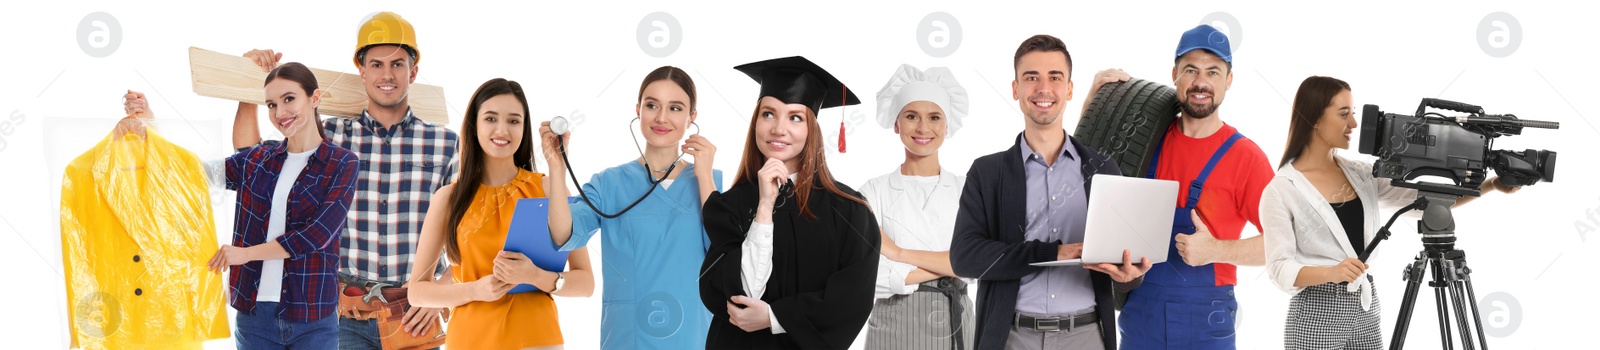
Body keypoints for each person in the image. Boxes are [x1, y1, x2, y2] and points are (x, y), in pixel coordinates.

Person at [228, 12, 458, 348]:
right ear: (362, 71)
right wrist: (248, 86)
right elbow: (251, 160)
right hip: (343, 315)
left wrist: (446, 287)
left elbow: (471, 232)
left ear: (414, 71)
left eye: (397, 64)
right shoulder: (328, 137)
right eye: (376, 64)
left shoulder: (446, 144)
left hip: (413, 315)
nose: (387, 74)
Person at [1261, 76, 1520, 349]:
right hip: (1316, 315)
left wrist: (1491, 185)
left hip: (1366, 308)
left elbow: (1426, 202)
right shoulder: (1281, 190)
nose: (1354, 124)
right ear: (1314, 118)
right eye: (1343, 114)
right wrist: (1330, 272)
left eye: (1354, 113)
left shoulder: (1361, 174)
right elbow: (1279, 268)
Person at [949, 35, 1151, 350]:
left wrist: (1130, 276)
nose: (1044, 89)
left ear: (1069, 89)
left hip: (1086, 336)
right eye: (1032, 78)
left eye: (1055, 78)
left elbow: (1125, 255)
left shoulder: (1101, 168)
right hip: (1012, 337)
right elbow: (965, 258)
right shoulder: (988, 173)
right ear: (1016, 89)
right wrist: (1052, 253)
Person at [1081, 25, 1274, 350]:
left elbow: (1286, 242)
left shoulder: (1247, 158)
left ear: (1228, 80)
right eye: (1190, 70)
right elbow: (1075, 180)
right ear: (1174, 75)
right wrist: (1095, 106)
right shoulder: (1142, 143)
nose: (1201, 82)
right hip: (1140, 316)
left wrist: (1217, 250)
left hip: (1207, 323)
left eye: (1213, 71)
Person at [698, 56, 882, 349]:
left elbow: (851, 299)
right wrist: (764, 209)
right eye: (768, 114)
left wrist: (774, 317)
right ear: (755, 121)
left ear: (811, 129)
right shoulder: (730, 206)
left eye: (795, 117)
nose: (778, 128)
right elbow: (735, 294)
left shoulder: (850, 211)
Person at [541, 66, 721, 350]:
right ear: (638, 110)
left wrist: (705, 175)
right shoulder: (608, 183)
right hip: (628, 336)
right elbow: (563, 235)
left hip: (694, 335)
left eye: (675, 108)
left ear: (692, 118)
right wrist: (556, 167)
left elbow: (722, 255)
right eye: (652, 105)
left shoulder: (712, 182)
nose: (661, 117)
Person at [406, 78, 595, 349]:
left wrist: (534, 276)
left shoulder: (547, 188)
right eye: (491, 118)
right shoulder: (448, 198)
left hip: (536, 339)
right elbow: (417, 291)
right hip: (469, 340)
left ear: (524, 128)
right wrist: (475, 290)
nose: (502, 129)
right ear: (474, 125)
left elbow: (585, 282)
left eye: (514, 121)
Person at [201, 62, 360, 349]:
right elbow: (192, 173)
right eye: (271, 105)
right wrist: (148, 125)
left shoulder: (342, 162)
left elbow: (317, 235)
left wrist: (245, 254)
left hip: (313, 316)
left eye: (289, 99)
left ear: (314, 98)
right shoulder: (258, 159)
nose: (280, 113)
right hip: (254, 315)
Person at [860, 64, 974, 350]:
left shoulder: (967, 189)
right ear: (896, 124)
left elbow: (982, 262)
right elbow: (867, 276)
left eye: (934, 117)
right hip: (894, 323)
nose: (923, 128)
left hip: (956, 318)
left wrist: (898, 254)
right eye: (912, 116)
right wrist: (951, 264)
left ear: (947, 126)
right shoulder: (872, 192)